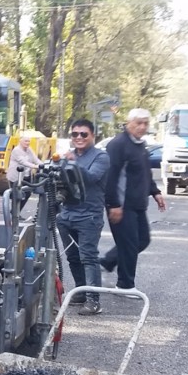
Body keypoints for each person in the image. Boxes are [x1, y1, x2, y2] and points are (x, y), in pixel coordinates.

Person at [101, 108, 167, 291]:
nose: (142, 127)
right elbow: (111, 176)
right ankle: (125, 285)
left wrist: (155, 192)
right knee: (129, 244)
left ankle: (106, 262)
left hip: (138, 204)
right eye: (139, 123)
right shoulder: (118, 144)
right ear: (129, 123)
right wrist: (113, 204)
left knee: (142, 240)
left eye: (146, 123)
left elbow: (144, 172)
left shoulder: (139, 144)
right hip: (122, 204)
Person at [57, 119, 110, 315]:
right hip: (66, 214)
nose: (79, 137)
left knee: (88, 257)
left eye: (84, 134)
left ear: (92, 136)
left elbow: (91, 178)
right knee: (72, 256)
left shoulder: (101, 157)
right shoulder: (68, 156)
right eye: (75, 134)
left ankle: (93, 300)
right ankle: (80, 291)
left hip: (89, 215)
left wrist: (72, 163)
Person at [7, 135, 42, 213]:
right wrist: (35, 166)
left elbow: (35, 159)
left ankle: (16, 212)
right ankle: (15, 214)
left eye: (29, 141)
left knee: (27, 193)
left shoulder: (29, 150)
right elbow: (23, 162)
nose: (27, 143)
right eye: (26, 141)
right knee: (16, 195)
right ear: (20, 141)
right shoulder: (16, 150)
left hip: (26, 176)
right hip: (16, 177)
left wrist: (43, 165)